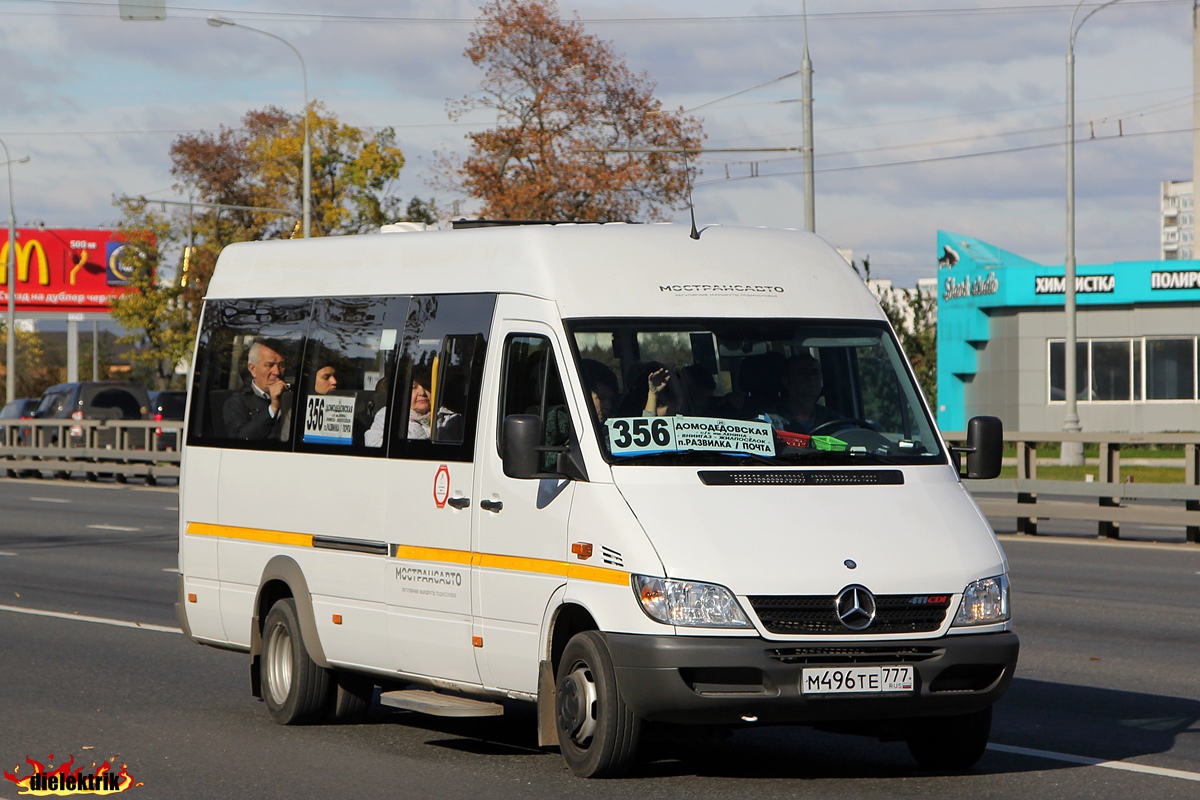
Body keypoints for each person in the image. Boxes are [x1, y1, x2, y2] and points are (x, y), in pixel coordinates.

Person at [223, 339, 290, 440]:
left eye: (281, 365)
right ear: (253, 369)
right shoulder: (236, 402)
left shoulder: (292, 399)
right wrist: (272, 409)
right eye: (269, 365)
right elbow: (241, 438)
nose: (276, 372)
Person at [776, 352, 835, 433]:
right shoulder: (771, 421)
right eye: (803, 372)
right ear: (786, 381)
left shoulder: (832, 419)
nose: (811, 377)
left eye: (815, 372)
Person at [408, 371, 433, 440]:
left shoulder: (450, 418)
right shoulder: (388, 416)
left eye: (427, 386)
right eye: (413, 387)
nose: (422, 393)